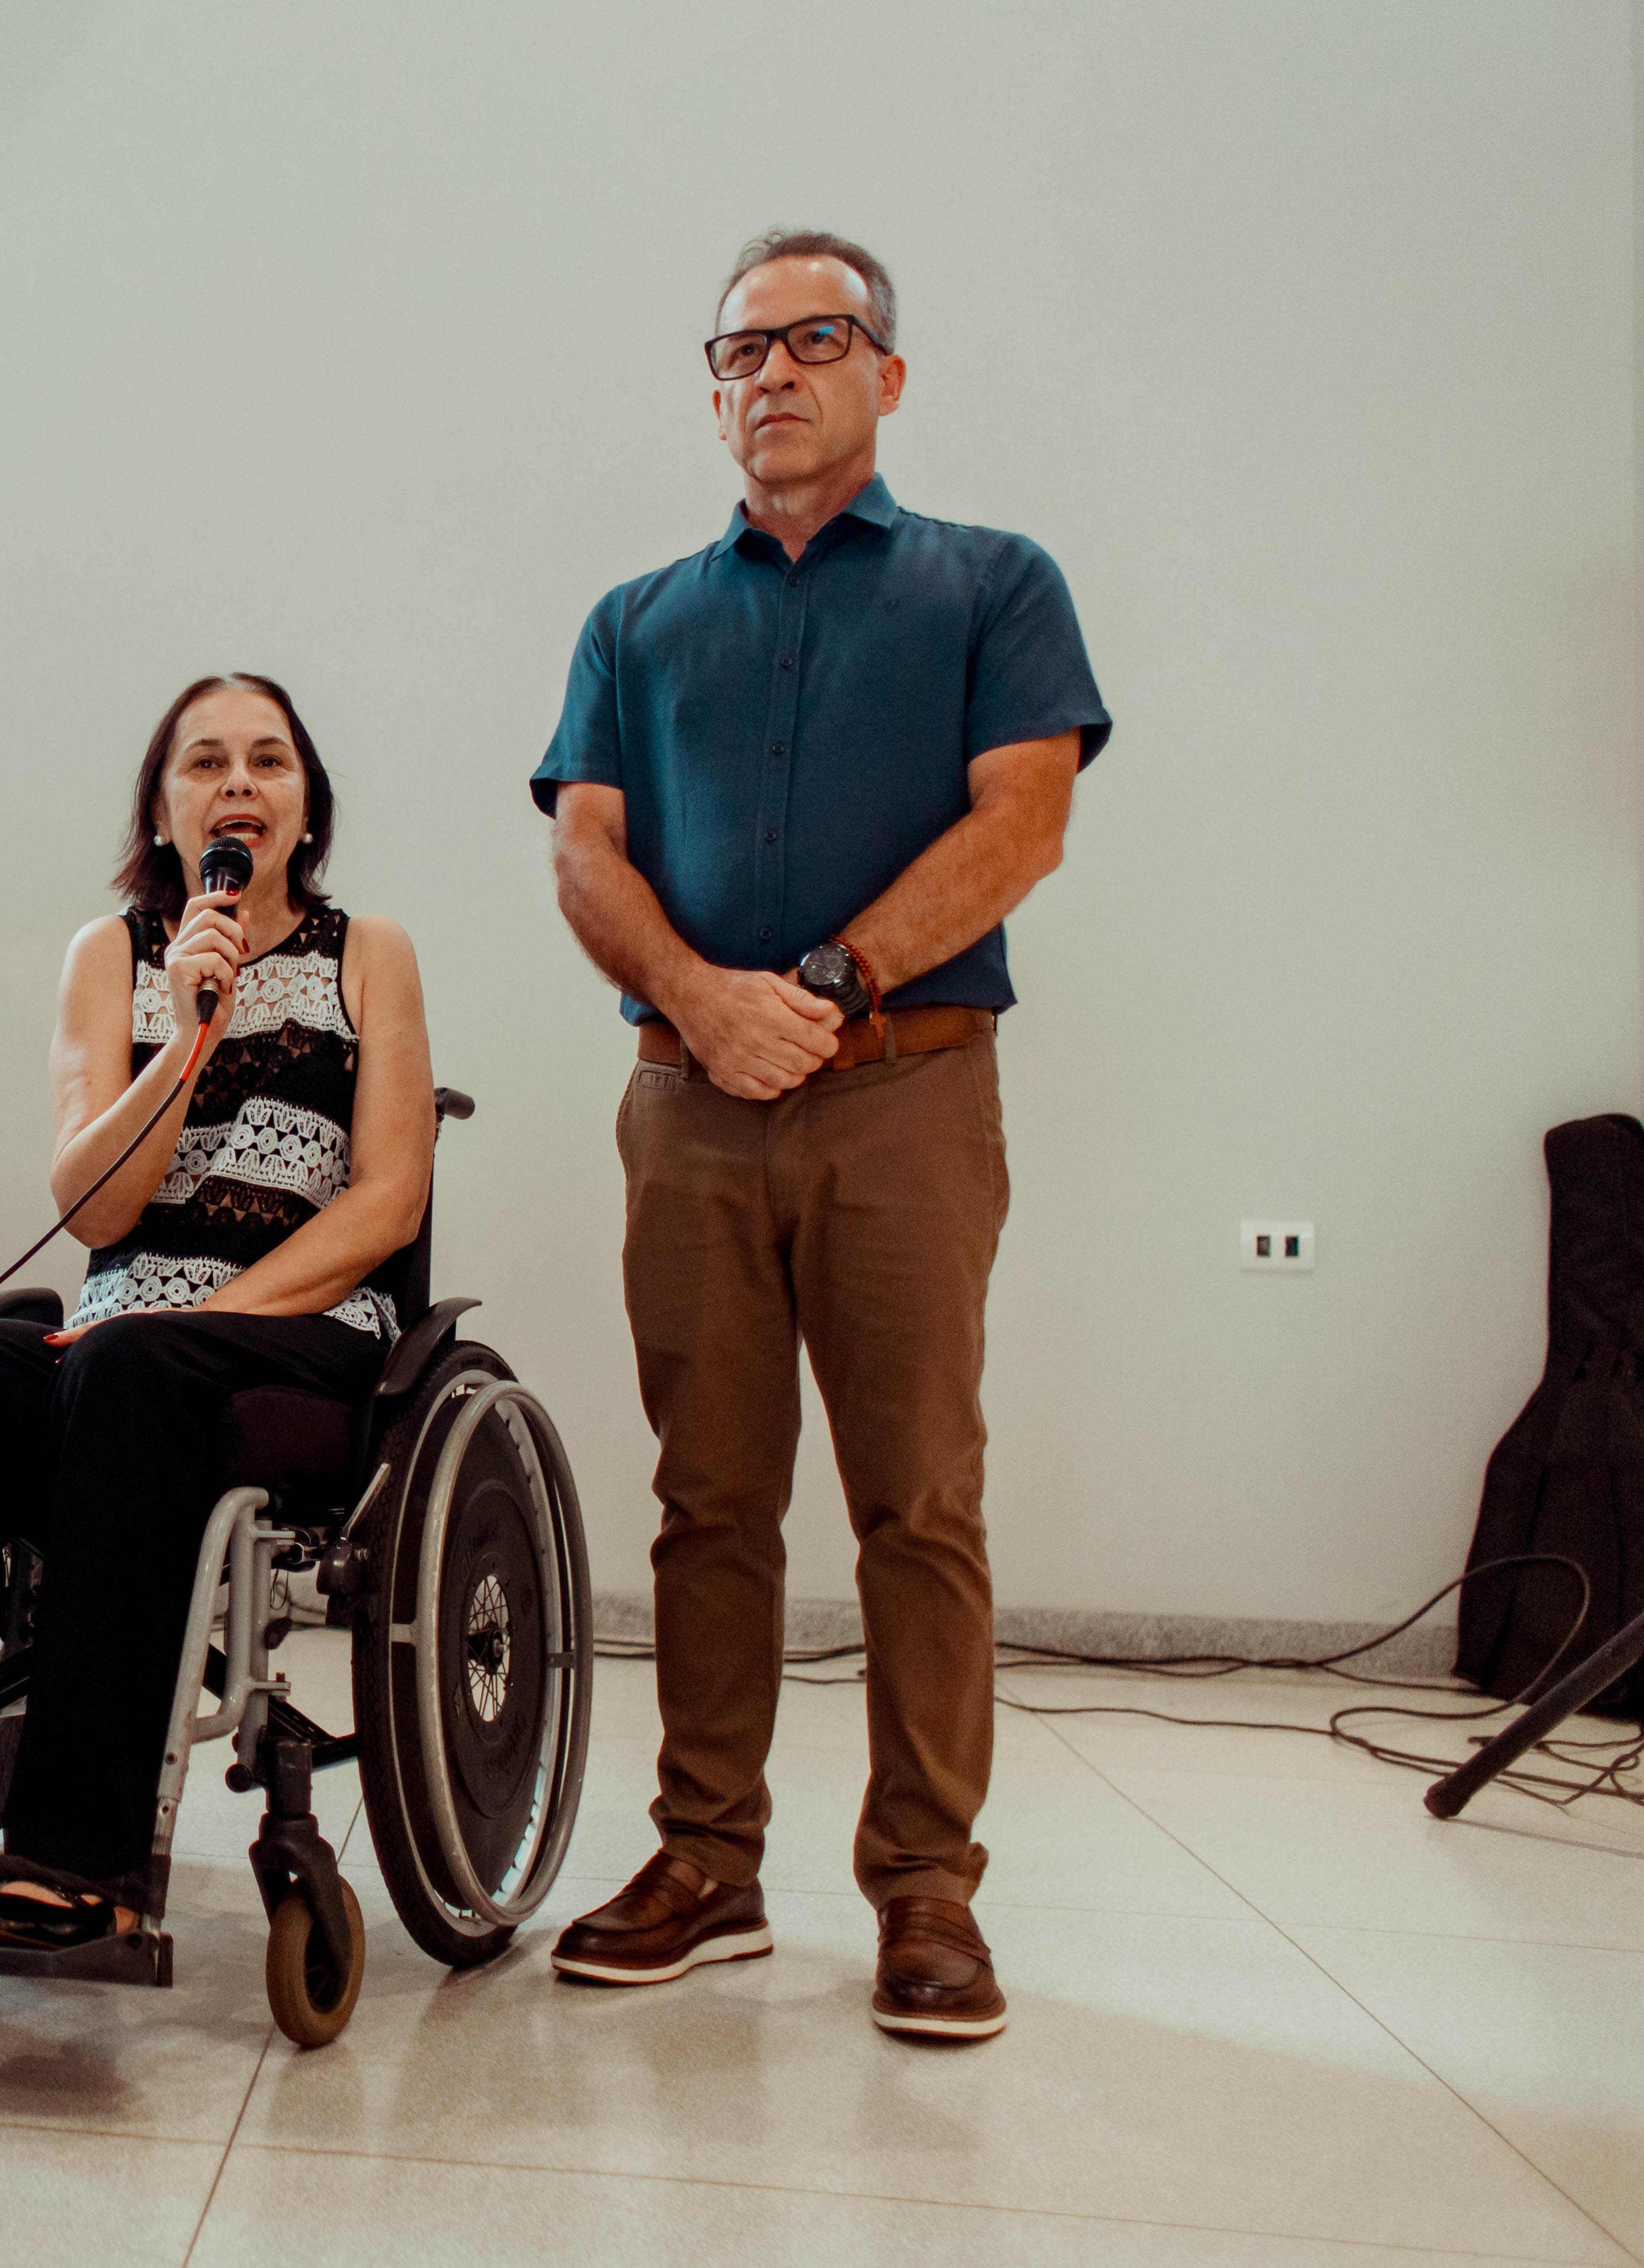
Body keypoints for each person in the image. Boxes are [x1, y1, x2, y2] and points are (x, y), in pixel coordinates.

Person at [535, 229, 1108, 2039]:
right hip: (684, 1107)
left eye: (814, 338)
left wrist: (828, 979)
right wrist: (701, 1004)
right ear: (712, 393)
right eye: (739, 350)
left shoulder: (991, 584)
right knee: (706, 1497)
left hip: (904, 1096)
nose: (771, 372)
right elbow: (583, 849)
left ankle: (926, 1887)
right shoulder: (632, 621)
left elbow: (1022, 824)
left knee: (916, 1497)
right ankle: (705, 1861)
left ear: (887, 374)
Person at [0, 673, 432, 1947]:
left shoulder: (368, 951)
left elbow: (389, 1201)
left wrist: (202, 1318)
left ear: (306, 806)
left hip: (300, 1332)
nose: (238, 782)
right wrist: (188, 1039)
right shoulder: (111, 956)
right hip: (113, 1337)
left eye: (269, 760)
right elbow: (94, 1208)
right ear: (163, 811)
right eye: (205, 762)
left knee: (131, 1366)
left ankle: (79, 1857)